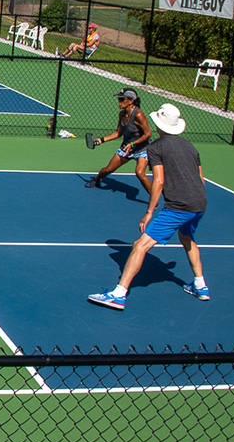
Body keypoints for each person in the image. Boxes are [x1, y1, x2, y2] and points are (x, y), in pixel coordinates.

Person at [88, 103, 208, 310]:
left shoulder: (156, 148)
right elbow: (201, 180)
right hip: (199, 203)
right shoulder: (190, 147)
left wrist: (149, 212)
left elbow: (158, 181)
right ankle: (200, 285)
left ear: (159, 124)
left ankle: (118, 294)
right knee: (187, 238)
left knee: (140, 245)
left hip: (178, 206)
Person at [85, 88, 152, 195]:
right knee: (107, 170)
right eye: (119, 99)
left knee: (140, 173)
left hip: (142, 148)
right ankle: (97, 179)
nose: (119, 102)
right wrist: (101, 140)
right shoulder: (121, 114)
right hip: (126, 148)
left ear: (131, 101)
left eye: (121, 99)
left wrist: (132, 144)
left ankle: (154, 197)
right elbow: (118, 133)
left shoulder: (138, 115)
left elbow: (148, 134)